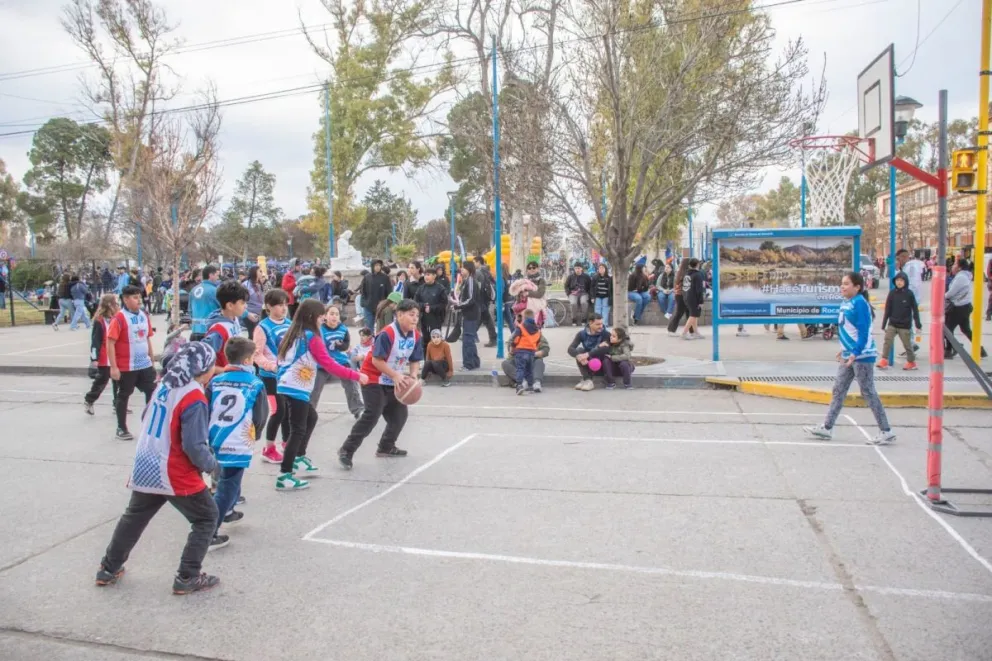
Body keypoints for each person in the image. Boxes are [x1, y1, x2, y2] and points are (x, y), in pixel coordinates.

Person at [94, 342, 221, 595]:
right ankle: (188, 575)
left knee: (135, 516)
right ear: (203, 369)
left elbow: (145, 418)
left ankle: (109, 568)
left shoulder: (164, 385)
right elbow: (193, 445)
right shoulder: (194, 395)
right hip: (174, 468)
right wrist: (211, 466)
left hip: (147, 460)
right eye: (212, 366)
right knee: (207, 518)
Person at [276, 299, 366, 490]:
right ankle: (285, 474)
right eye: (320, 316)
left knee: (311, 417)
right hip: (296, 386)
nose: (322, 319)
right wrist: (356, 375)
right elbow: (329, 364)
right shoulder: (312, 337)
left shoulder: (295, 333)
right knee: (297, 430)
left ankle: (298, 457)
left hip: (287, 383)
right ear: (311, 317)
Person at [804, 272, 895, 445]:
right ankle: (827, 427)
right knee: (838, 389)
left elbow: (863, 331)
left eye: (846, 284)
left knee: (867, 391)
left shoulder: (860, 303)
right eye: (842, 283)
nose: (842, 287)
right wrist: (844, 349)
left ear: (857, 287)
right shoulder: (847, 302)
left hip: (862, 356)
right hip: (849, 354)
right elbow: (848, 330)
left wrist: (855, 352)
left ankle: (886, 430)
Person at [338, 299, 423, 469]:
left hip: (393, 379)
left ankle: (386, 447)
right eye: (411, 315)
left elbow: (415, 360)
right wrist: (395, 376)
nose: (415, 319)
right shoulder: (388, 334)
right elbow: (377, 361)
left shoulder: (416, 336)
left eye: (417, 315)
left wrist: (413, 376)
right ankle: (346, 450)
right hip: (373, 378)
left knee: (399, 415)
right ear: (399, 315)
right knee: (372, 415)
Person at [206, 336, 268, 551]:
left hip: (215, 436)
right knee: (228, 485)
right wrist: (256, 434)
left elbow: (205, 408)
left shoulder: (215, 381)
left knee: (224, 478)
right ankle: (209, 532)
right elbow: (261, 415)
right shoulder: (255, 383)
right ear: (249, 360)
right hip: (238, 439)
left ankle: (229, 510)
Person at [108, 285, 156, 441]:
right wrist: (114, 367)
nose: (138, 300)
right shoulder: (120, 318)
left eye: (139, 297)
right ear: (125, 299)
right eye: (135, 298)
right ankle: (121, 428)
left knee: (152, 392)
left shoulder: (143, 315)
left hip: (144, 364)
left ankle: (150, 425)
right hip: (127, 365)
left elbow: (147, 338)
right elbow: (110, 342)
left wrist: (152, 359)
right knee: (124, 395)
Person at [252, 289, 291, 465]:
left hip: (288, 375)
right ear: (269, 306)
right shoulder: (262, 327)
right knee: (279, 411)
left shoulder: (290, 324)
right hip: (270, 376)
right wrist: (272, 367)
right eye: (279, 305)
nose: (283, 308)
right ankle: (268, 448)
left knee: (289, 410)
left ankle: (287, 443)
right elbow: (257, 355)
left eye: (285, 304)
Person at [313, 304, 365, 419]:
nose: (334, 317)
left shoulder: (343, 329)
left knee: (351, 384)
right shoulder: (319, 329)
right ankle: (309, 411)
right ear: (325, 316)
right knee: (315, 387)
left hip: (340, 362)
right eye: (331, 314)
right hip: (324, 363)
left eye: (337, 314)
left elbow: (346, 345)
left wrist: (341, 346)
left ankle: (358, 409)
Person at [84, 294, 121, 416]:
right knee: (102, 380)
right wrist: (94, 358)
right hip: (105, 357)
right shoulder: (100, 321)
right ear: (110, 304)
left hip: (116, 354)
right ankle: (89, 400)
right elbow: (95, 341)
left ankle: (118, 404)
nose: (118, 305)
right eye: (116, 303)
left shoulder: (116, 318)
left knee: (119, 381)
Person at [944, 258, 988, 359]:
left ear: (959, 267)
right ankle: (980, 350)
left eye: (955, 264)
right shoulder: (963, 276)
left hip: (958, 307)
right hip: (964, 306)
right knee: (966, 329)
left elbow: (951, 293)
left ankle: (950, 350)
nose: (952, 266)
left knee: (947, 329)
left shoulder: (961, 277)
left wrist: (942, 296)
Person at [878, 271, 921, 371]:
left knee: (907, 345)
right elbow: (887, 309)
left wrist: (918, 324)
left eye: (901, 280)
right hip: (892, 323)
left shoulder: (909, 294)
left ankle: (911, 362)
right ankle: (884, 360)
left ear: (905, 281)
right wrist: (883, 324)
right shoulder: (892, 293)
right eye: (897, 280)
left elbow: (915, 309)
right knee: (887, 341)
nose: (899, 282)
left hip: (905, 325)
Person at [502, 315, 549, 392]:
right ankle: (523, 381)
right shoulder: (518, 330)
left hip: (533, 358)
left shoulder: (536, 332)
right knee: (506, 363)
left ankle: (536, 382)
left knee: (539, 362)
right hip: (518, 357)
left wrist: (535, 354)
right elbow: (510, 344)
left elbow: (545, 349)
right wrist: (512, 350)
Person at [567, 313, 611, 391]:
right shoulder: (582, 334)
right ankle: (587, 380)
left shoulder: (606, 334)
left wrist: (588, 354)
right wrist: (578, 356)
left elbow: (605, 349)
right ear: (590, 323)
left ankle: (587, 380)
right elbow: (570, 349)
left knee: (597, 352)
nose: (601, 326)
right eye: (598, 324)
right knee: (579, 351)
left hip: (600, 362)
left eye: (601, 323)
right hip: (586, 361)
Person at [453, 261, 481, 370]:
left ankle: (468, 364)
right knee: (469, 339)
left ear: (469, 269)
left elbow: (470, 299)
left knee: (467, 340)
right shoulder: (466, 281)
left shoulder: (470, 281)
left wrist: (458, 306)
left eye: (463, 268)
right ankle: (474, 362)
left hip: (471, 315)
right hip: (469, 314)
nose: (461, 270)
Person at [509, 309, 541, 395]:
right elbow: (538, 341)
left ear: (524, 317)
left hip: (520, 351)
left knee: (520, 369)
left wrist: (512, 347)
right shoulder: (537, 329)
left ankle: (519, 385)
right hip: (531, 352)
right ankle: (530, 386)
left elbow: (516, 339)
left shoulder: (521, 327)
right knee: (529, 370)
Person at [189, 266, 221, 341]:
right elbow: (225, 308)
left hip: (195, 330)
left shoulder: (193, 290)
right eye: (216, 275)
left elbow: (190, 310)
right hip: (210, 330)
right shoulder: (215, 291)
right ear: (210, 275)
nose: (217, 278)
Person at [358, 259, 391, 331]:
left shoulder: (385, 278)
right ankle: (370, 342)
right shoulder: (367, 277)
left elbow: (389, 292)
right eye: (376, 265)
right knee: (369, 328)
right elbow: (363, 291)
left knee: (381, 328)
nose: (378, 267)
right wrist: (364, 303)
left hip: (381, 307)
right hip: (368, 307)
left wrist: (387, 304)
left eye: (379, 265)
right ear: (372, 266)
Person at [474, 257, 498, 346]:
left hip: (481, 298)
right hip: (486, 298)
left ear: (478, 262)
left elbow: (478, 286)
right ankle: (493, 338)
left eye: (474, 262)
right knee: (485, 318)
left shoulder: (479, 272)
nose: (474, 264)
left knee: (482, 318)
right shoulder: (486, 271)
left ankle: (469, 334)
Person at [682, 258, 706, 340]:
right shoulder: (698, 275)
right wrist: (701, 301)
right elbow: (699, 290)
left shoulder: (687, 274)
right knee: (693, 315)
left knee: (694, 315)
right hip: (694, 298)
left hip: (687, 296)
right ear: (697, 265)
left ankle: (696, 332)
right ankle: (684, 333)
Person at [667, 260, 690, 335]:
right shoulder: (685, 273)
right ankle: (671, 330)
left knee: (687, 313)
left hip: (678, 295)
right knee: (680, 313)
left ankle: (691, 331)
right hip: (682, 295)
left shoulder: (679, 272)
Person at [243, 266, 266, 338]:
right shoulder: (245, 285)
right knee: (252, 335)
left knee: (258, 334)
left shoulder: (259, 284)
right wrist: (247, 313)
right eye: (260, 271)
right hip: (250, 313)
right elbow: (241, 300)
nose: (261, 273)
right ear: (254, 272)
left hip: (260, 313)